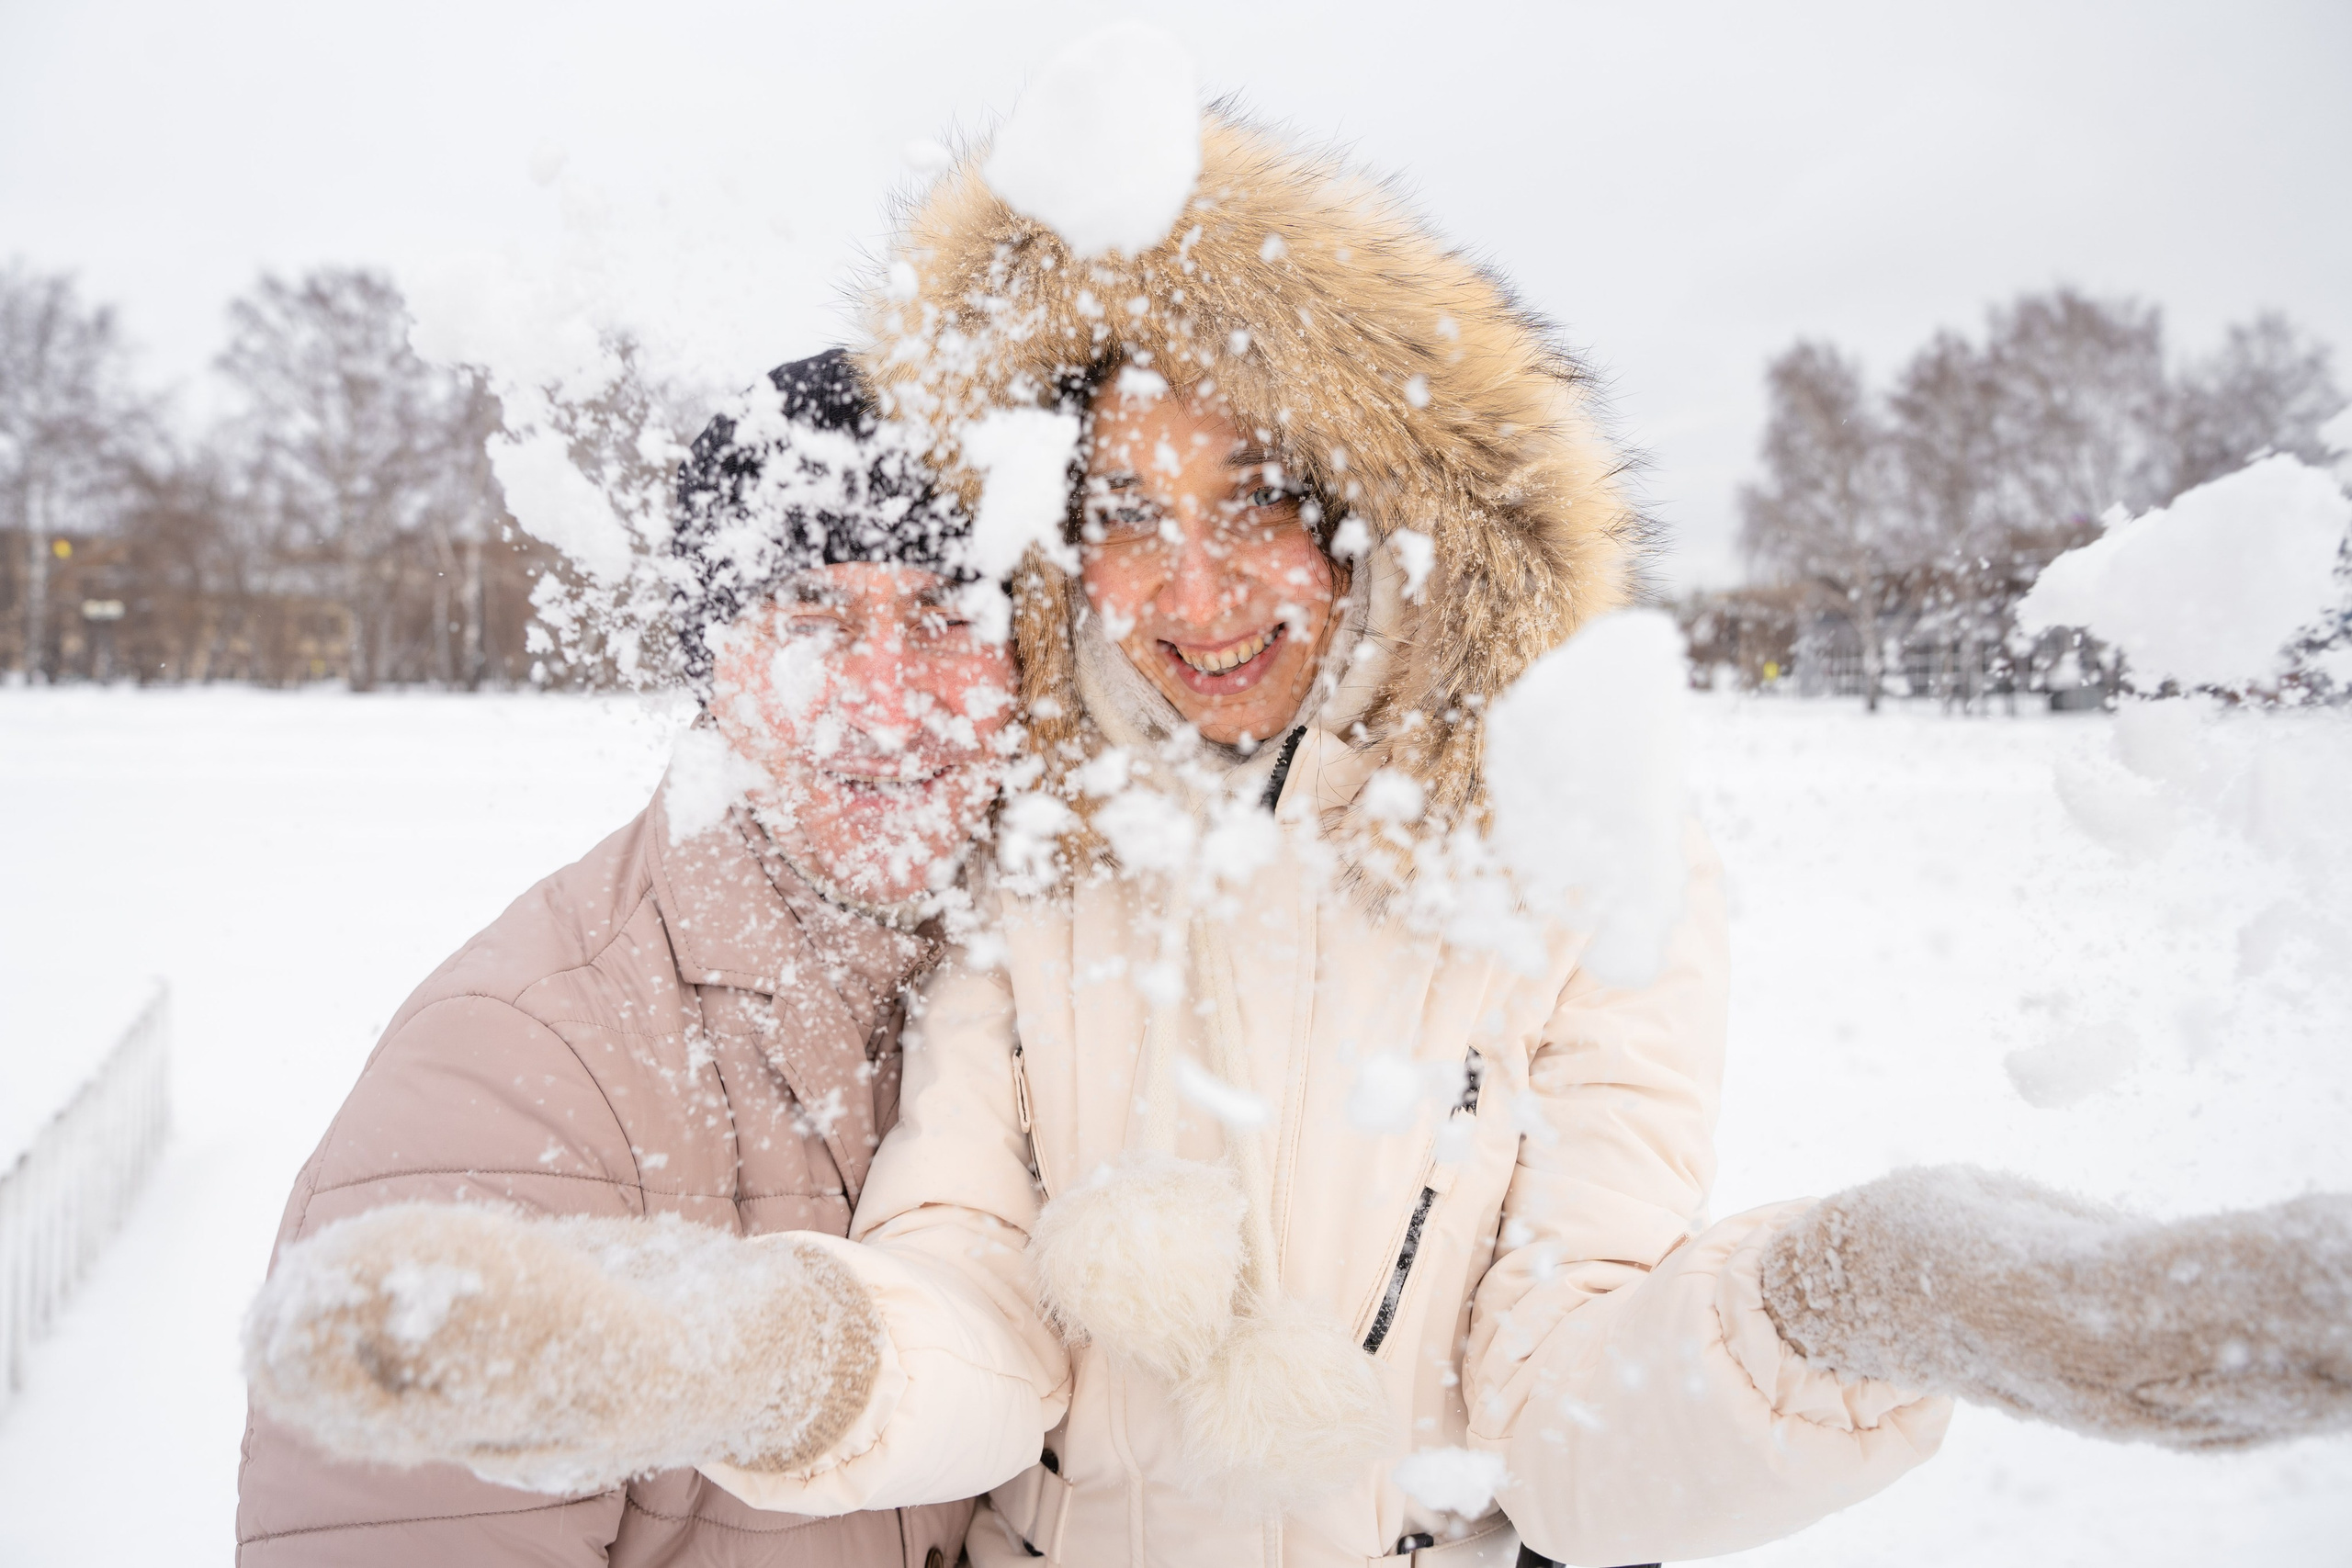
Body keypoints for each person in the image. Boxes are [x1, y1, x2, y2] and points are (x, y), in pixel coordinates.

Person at [244, 118, 2352, 1568]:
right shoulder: (1044, 848)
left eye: (1257, 500)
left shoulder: (1566, 851)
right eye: (1125, 517)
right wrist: (712, 1347)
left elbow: (1569, 1402)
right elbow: (970, 1297)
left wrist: (1893, 1288)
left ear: (1394, 502)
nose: (1193, 587)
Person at [234, 348, 1011, 1566]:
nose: (883, 696)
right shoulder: (517, 1072)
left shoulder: (1071, 997)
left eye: (948, 617)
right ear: (712, 669)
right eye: (810, 619)